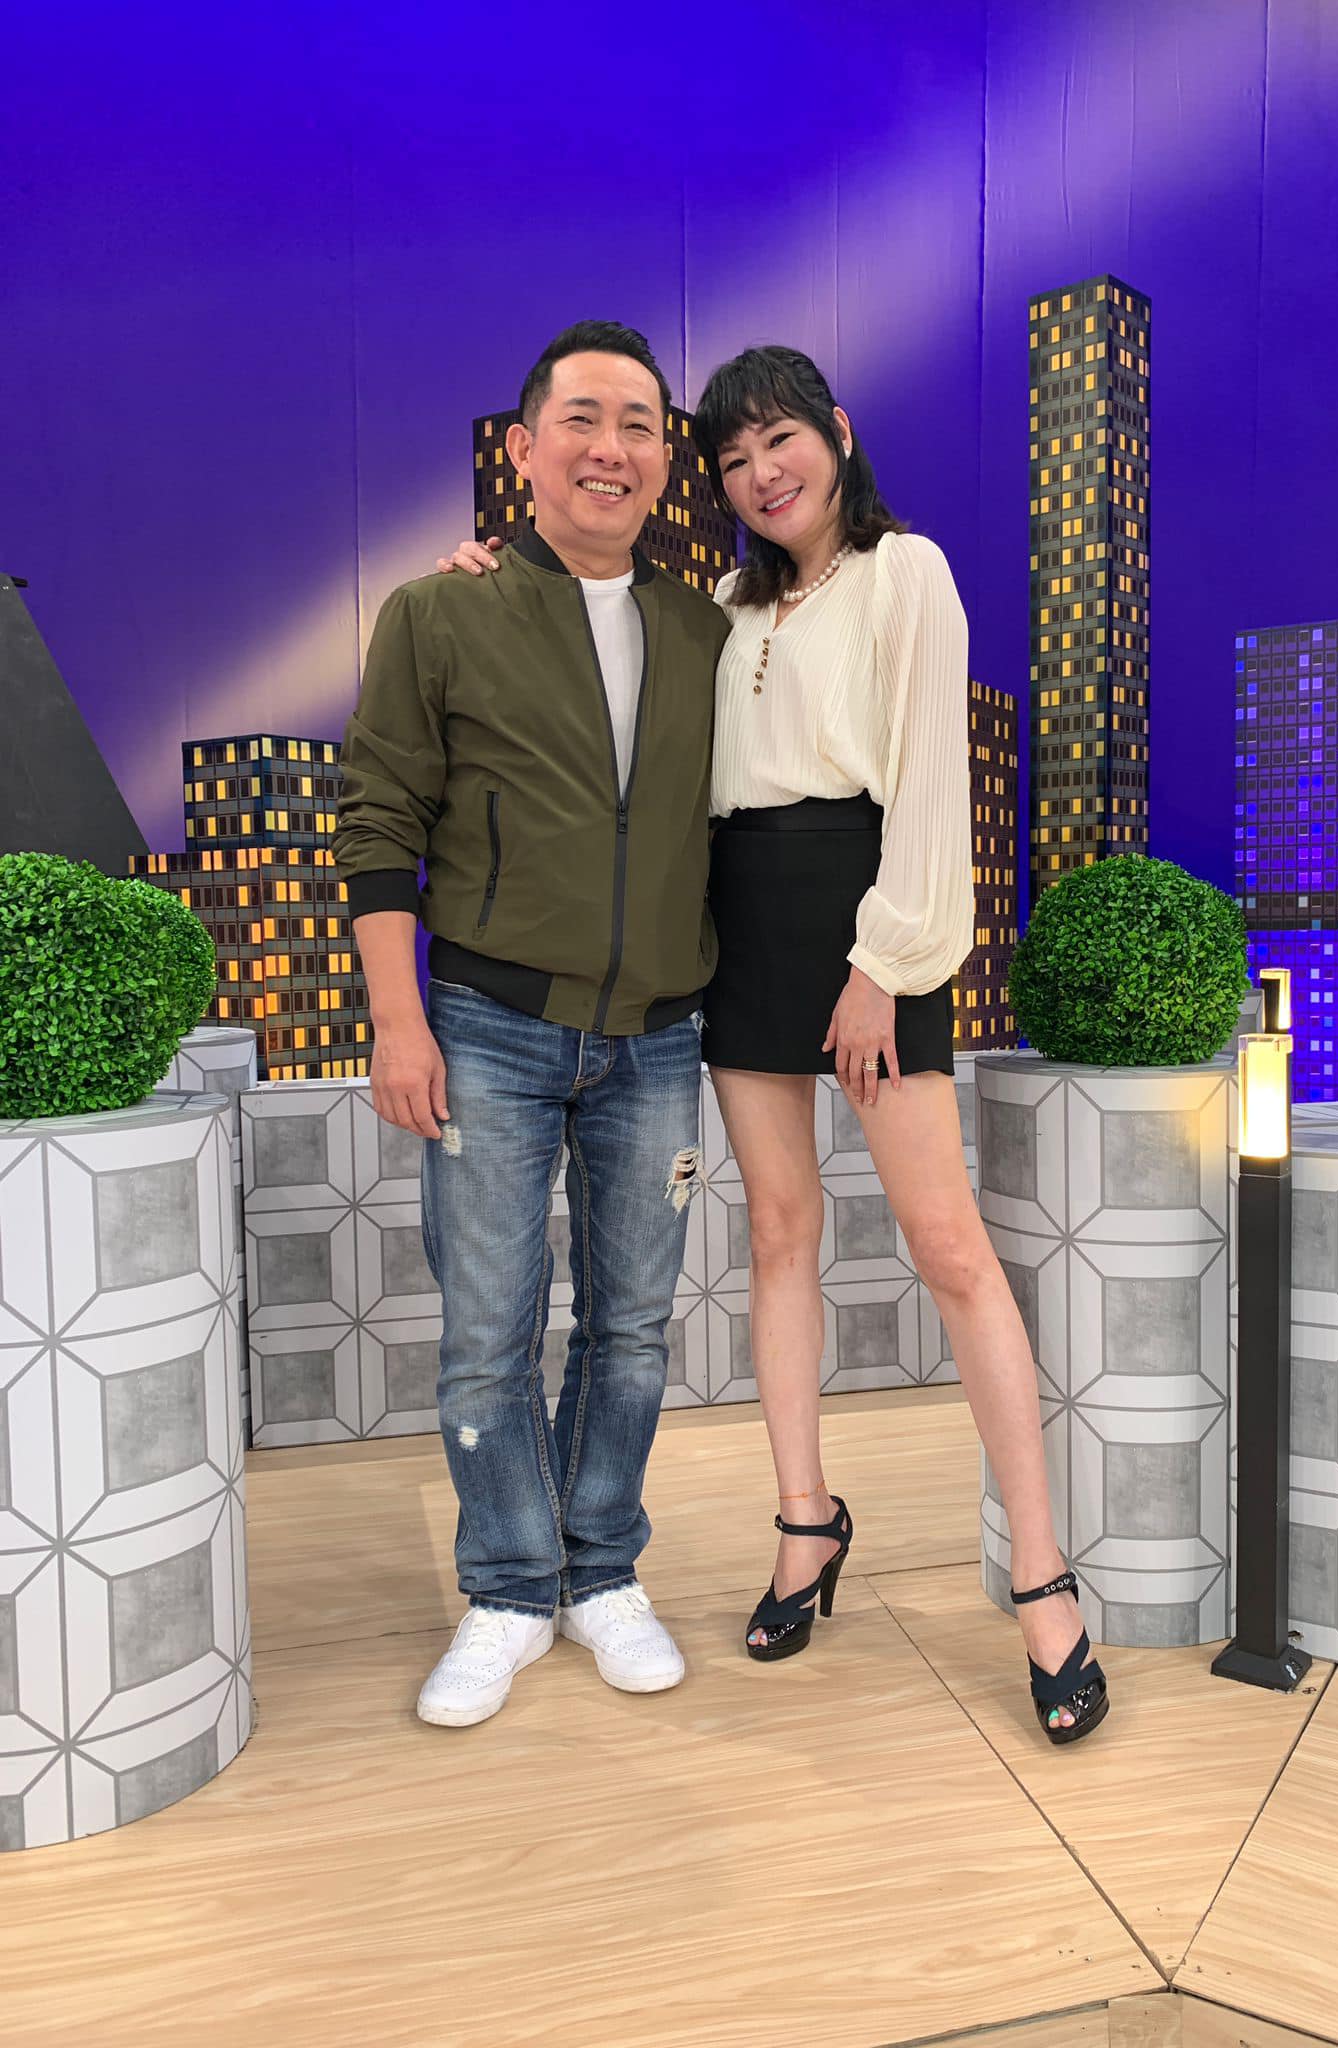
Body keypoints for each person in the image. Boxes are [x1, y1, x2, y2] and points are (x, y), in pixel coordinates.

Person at [439, 344, 1108, 1744]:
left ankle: (1044, 1577)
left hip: (869, 924)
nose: (760, 474)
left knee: (950, 1250)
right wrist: (487, 577)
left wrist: (880, 969)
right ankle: (806, 1523)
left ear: (837, 434)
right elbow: (593, 641)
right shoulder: (726, 609)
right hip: (737, 930)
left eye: (780, 442)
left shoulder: (905, 572)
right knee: (778, 1237)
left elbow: (931, 789)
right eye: (733, 459)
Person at [335, 320, 728, 1727]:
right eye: (581, 419)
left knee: (633, 1330)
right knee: (487, 1333)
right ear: (523, 447)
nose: (610, 448)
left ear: (666, 458)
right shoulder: (439, 613)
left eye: (639, 424)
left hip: (658, 1039)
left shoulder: (709, 631)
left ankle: (600, 1569)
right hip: (486, 1027)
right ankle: (509, 1588)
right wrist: (397, 1021)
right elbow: (377, 823)